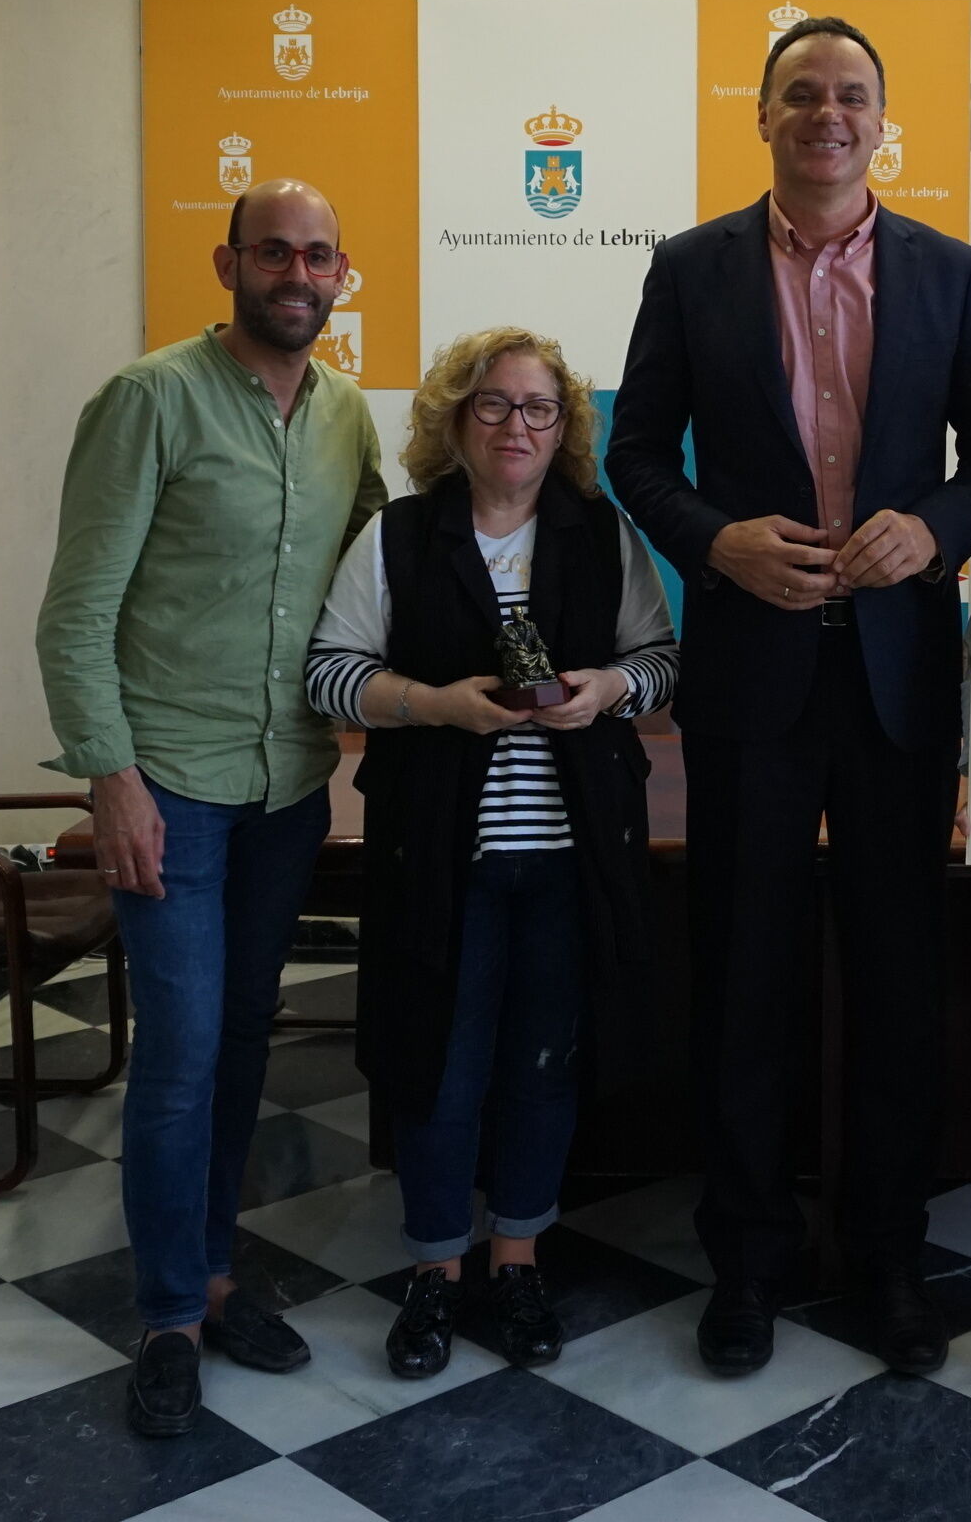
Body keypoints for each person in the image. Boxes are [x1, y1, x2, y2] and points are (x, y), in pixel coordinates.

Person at [608, 15, 971, 1378]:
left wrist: (938, 528)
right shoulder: (692, 268)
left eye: (852, 94)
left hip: (901, 676)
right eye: (803, 93)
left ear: (881, 120)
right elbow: (635, 452)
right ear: (764, 115)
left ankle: (889, 1254)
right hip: (754, 671)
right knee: (745, 970)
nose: (828, 114)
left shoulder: (948, 270)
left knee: (902, 974)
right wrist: (715, 541)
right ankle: (746, 1256)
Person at [34, 179, 387, 1439]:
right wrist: (110, 775)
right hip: (169, 783)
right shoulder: (148, 399)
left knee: (242, 1036)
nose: (298, 273)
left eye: (319, 256)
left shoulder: (346, 413)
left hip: (287, 782)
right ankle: (170, 1312)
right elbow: (76, 609)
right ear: (229, 262)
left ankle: (221, 1272)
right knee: (180, 1052)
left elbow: (377, 569)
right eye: (274, 252)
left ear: (341, 274)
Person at [304, 328, 676, 1379]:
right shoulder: (399, 535)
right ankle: (434, 1270)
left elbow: (660, 661)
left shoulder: (599, 532)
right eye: (496, 404)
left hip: (569, 856)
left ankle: (516, 1261)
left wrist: (608, 689)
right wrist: (434, 705)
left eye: (540, 408)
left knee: (542, 1063)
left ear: (564, 428)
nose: (518, 425)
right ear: (457, 418)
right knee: (438, 1064)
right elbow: (328, 672)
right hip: (440, 854)